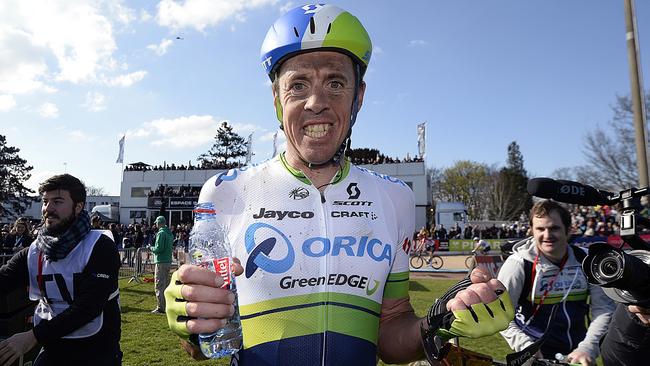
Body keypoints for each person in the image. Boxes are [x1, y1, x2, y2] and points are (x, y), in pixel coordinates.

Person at [163, 4, 514, 365]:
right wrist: (192, 323)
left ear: (358, 96)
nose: (317, 102)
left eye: (335, 83)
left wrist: (440, 322)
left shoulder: (394, 198)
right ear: (276, 100)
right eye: (298, 85)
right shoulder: (225, 192)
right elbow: (202, 345)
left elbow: (391, 334)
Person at [0, 174, 121, 365]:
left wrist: (31, 337)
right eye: (45, 201)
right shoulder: (35, 250)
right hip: (52, 347)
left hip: (96, 351)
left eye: (57, 201)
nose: (48, 208)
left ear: (78, 206)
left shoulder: (100, 246)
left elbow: (88, 307)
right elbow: (4, 279)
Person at [497, 200, 615, 366]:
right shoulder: (518, 264)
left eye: (554, 228)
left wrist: (588, 347)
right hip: (535, 356)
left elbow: (604, 310)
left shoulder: (587, 261)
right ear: (531, 230)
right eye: (540, 229)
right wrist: (526, 346)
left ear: (568, 230)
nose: (547, 235)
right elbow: (501, 316)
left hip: (579, 355)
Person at [151, 215, 173, 314]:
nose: (155, 224)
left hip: (161, 261)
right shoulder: (169, 233)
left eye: (156, 223)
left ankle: (161, 307)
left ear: (159, 223)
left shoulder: (161, 233)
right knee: (166, 285)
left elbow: (159, 249)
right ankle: (167, 305)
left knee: (159, 285)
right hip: (168, 260)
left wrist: (151, 248)